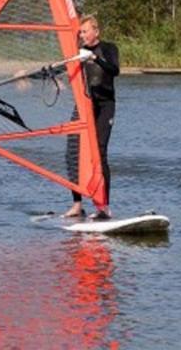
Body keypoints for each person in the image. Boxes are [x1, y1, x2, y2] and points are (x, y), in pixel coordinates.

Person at [63, 16, 120, 220]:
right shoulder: (79, 53)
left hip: (105, 106)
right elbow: (61, 68)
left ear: (96, 31)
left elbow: (115, 70)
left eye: (85, 31)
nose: (82, 35)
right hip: (84, 106)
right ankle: (77, 204)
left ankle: (103, 207)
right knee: (73, 152)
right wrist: (32, 75)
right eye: (81, 32)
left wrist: (94, 59)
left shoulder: (108, 48)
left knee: (100, 152)